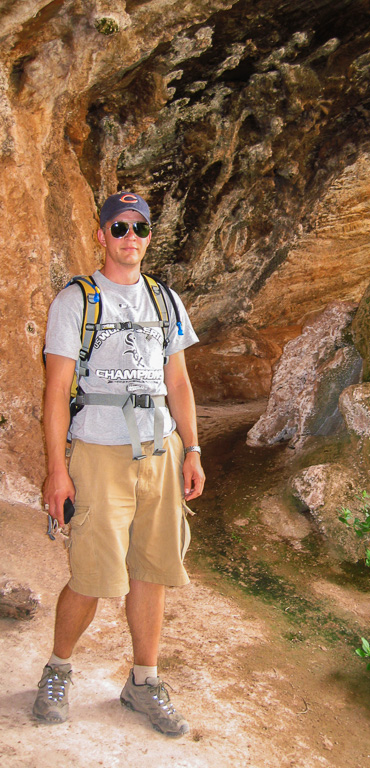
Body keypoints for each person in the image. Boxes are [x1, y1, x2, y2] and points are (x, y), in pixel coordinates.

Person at [33, 192, 205, 736]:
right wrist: (57, 470)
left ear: (149, 236)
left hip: (161, 452)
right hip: (99, 452)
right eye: (120, 226)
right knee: (90, 574)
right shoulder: (76, 301)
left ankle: (144, 682)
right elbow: (57, 391)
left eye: (141, 227)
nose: (131, 236)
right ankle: (57, 670)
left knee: (151, 572)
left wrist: (193, 449)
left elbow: (177, 381)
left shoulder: (165, 300)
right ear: (102, 234)